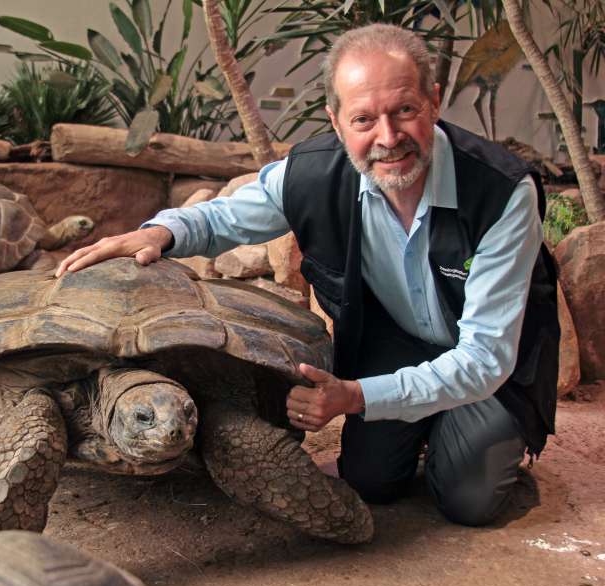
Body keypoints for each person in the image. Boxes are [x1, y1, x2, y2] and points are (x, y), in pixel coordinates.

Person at [55, 23, 560, 527]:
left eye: (404, 110)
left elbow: (485, 357)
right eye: (363, 119)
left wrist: (357, 396)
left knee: (468, 499)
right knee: (370, 483)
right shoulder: (312, 174)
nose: (388, 138)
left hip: (488, 367)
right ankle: (424, 424)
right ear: (336, 122)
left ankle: (479, 436)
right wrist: (160, 233)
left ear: (433, 99)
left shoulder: (502, 192)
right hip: (398, 343)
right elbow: (223, 218)